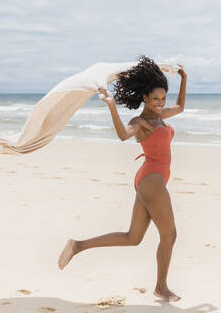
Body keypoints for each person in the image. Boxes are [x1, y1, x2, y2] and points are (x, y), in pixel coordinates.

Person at [58, 55, 187, 302]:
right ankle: (161, 287)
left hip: (149, 178)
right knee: (169, 235)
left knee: (133, 238)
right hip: (152, 180)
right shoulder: (141, 122)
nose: (160, 103)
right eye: (155, 99)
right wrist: (111, 105)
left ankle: (77, 245)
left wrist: (184, 78)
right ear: (144, 98)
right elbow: (122, 135)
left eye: (163, 98)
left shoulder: (160, 117)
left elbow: (180, 107)